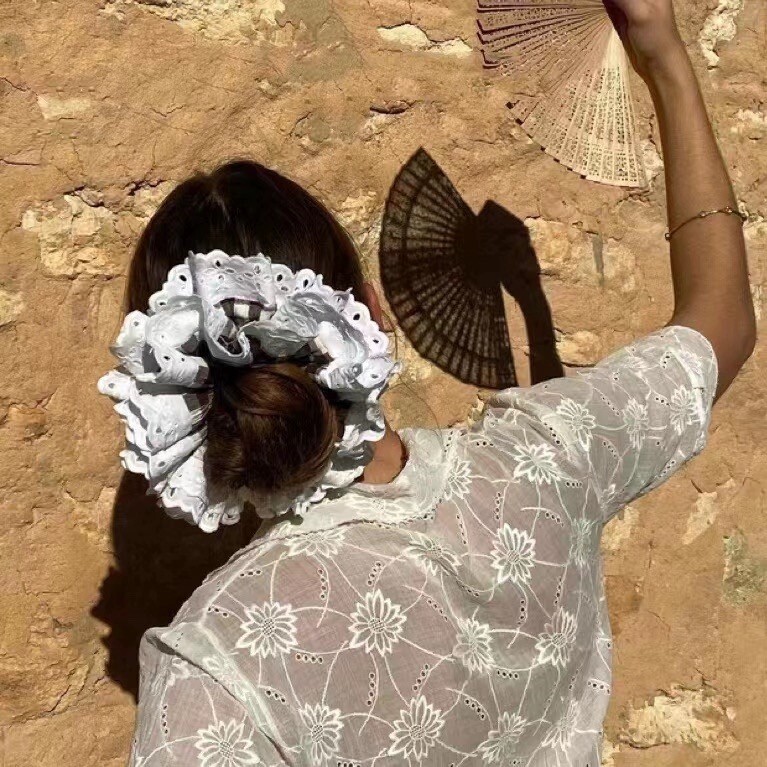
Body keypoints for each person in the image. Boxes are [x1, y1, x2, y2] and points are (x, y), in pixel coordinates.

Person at [109, 0, 755, 764]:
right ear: (371, 313)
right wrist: (664, 58)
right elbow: (720, 322)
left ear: (172, 400)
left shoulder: (220, 670)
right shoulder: (544, 461)